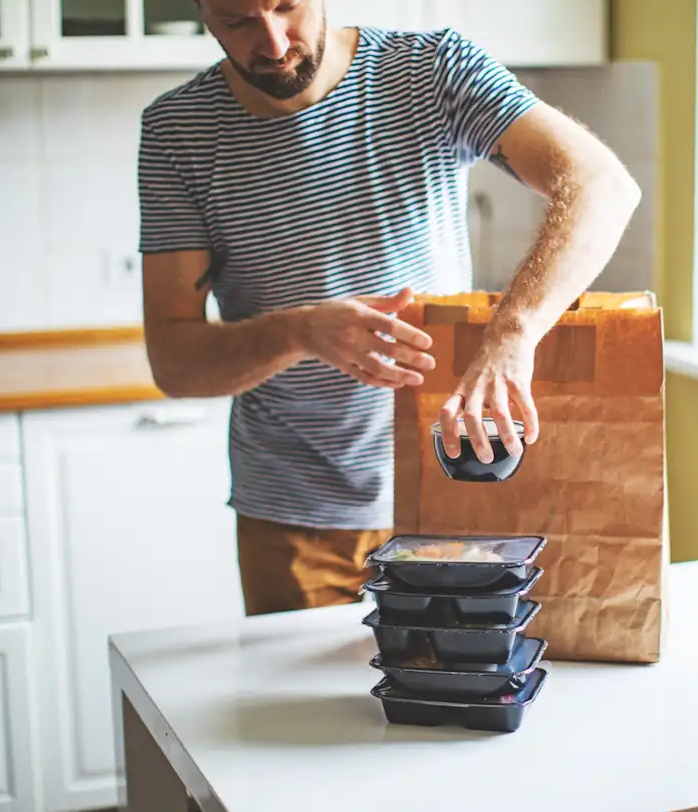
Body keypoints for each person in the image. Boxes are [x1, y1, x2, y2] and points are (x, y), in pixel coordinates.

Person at [137, 0, 640, 616]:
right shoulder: (177, 132)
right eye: (237, 21)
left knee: (460, 700)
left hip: (456, 491)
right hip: (295, 519)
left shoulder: (431, 70)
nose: (271, 43)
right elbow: (175, 362)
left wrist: (512, 335)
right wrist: (300, 332)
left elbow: (601, 184)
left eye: (286, 7)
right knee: (306, 715)